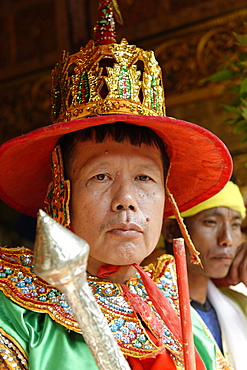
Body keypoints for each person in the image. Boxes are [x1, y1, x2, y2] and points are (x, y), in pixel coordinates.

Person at [0, 1, 235, 369]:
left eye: (144, 178)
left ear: (166, 197)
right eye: (101, 177)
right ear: (61, 193)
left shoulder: (172, 302)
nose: (126, 200)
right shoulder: (16, 313)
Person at [161, 180, 247, 370]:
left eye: (235, 225)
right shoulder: (150, 312)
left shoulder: (240, 305)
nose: (227, 240)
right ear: (172, 229)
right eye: (211, 222)